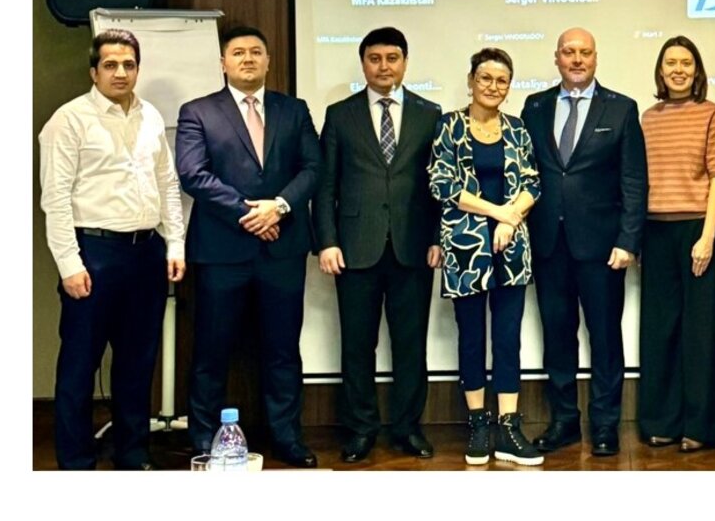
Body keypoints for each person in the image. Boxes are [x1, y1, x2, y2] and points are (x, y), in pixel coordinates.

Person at [39, 29, 186, 470]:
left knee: (137, 364)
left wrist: (175, 243)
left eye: (128, 64)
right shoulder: (69, 120)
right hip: (93, 253)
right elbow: (55, 199)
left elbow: (167, 184)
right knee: (79, 366)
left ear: (138, 69)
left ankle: (132, 455)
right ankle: (76, 464)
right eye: (110, 65)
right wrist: (69, 264)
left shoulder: (150, 116)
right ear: (94, 71)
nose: (120, 72)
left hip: (146, 252)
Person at [176, 25, 321, 468]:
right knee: (211, 351)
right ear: (223, 63)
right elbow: (193, 174)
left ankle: (287, 437)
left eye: (256, 52)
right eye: (238, 52)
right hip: (222, 252)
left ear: (268, 60)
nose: (248, 59)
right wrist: (250, 213)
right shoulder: (198, 112)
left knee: (283, 351)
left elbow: (313, 167)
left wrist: (279, 207)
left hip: (282, 250)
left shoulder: (293, 110)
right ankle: (205, 440)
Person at [313, 27, 442, 462]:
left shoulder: (430, 114)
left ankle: (407, 428)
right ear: (363, 63)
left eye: (392, 58)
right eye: (374, 58)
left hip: (413, 247)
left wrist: (437, 238)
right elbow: (325, 185)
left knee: (411, 346)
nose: (383, 66)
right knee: (357, 346)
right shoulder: (339, 114)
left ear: (405, 62)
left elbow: (439, 185)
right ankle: (360, 429)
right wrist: (327, 241)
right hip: (354, 249)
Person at [520, 27, 648, 457]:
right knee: (557, 336)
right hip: (548, 244)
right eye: (569, 52)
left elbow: (634, 180)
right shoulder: (535, 107)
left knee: (605, 337)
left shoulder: (621, 108)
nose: (577, 59)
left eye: (585, 53)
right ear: (556, 58)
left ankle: (606, 424)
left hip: (603, 248)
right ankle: (564, 422)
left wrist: (628, 240)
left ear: (596, 58)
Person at [428, 48, 543, 466]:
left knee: (508, 337)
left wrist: (511, 220)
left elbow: (532, 182)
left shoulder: (518, 128)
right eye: (485, 78)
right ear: (471, 81)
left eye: (501, 80)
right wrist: (499, 213)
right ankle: (478, 423)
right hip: (466, 248)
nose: (493, 86)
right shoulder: (449, 126)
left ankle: (508, 427)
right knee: (472, 336)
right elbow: (442, 184)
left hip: (512, 247)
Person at [637, 35, 715, 452]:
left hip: (697, 230)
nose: (678, 70)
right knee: (660, 331)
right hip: (655, 232)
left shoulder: (710, 112)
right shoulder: (648, 118)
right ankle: (663, 421)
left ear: (696, 71)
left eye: (686, 63)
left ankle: (701, 425)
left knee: (701, 332)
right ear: (660, 71)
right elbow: (639, 181)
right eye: (671, 63)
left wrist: (708, 237)